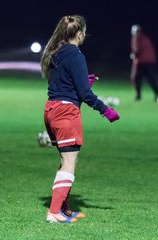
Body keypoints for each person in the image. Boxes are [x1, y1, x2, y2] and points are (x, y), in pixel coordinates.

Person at [41, 15, 120, 223]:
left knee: (66, 161)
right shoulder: (76, 55)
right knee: (69, 163)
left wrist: (82, 81)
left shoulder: (56, 51)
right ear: (80, 33)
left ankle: (63, 208)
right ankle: (54, 212)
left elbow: (64, 82)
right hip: (66, 113)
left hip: (51, 110)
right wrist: (106, 110)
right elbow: (85, 94)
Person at [130, 24, 158, 101]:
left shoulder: (137, 39)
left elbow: (137, 51)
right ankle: (156, 94)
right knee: (151, 78)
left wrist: (133, 55)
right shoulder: (145, 39)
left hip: (142, 61)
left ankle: (138, 95)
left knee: (136, 78)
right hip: (149, 61)